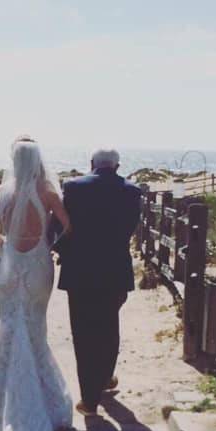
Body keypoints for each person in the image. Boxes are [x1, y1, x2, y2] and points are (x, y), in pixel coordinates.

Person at [0, 137, 74, 431]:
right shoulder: (48, 192)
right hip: (38, 265)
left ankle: (1, 402)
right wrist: (46, 243)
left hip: (10, 266)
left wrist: (8, 243)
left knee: (7, 326)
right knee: (35, 330)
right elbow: (68, 226)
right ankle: (43, 403)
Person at [55, 148, 141, 416]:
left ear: (91, 164)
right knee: (109, 326)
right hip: (115, 269)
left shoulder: (73, 187)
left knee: (83, 334)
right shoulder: (132, 191)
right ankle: (105, 377)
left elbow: (62, 226)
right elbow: (130, 228)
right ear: (117, 166)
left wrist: (61, 250)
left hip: (79, 269)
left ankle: (89, 400)